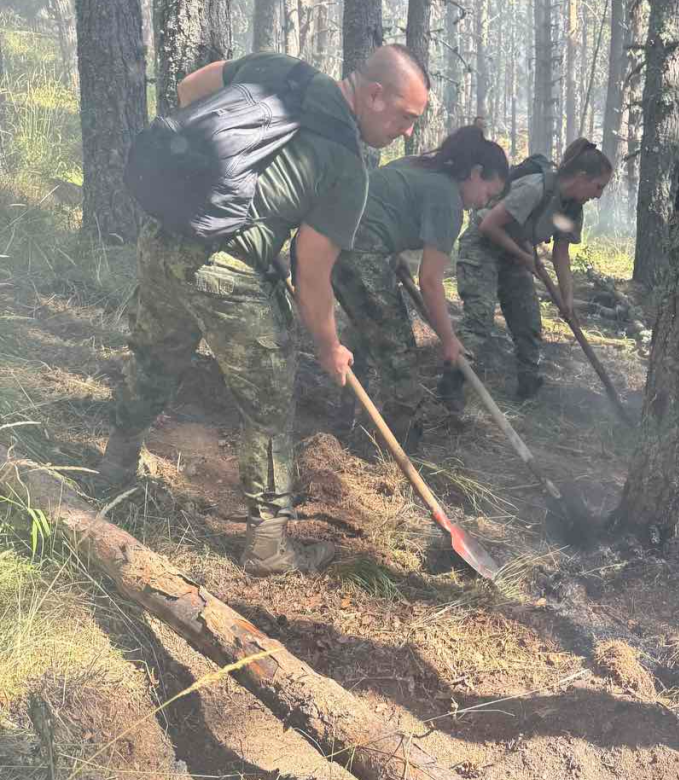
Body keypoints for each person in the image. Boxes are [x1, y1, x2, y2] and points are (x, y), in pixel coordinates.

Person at [95, 47, 429, 577]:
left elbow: (188, 93)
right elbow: (312, 275)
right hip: (227, 277)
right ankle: (268, 547)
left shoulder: (282, 71)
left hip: (164, 238)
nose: (407, 132)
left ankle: (114, 463)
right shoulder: (346, 166)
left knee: (156, 355)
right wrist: (327, 347)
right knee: (269, 404)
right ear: (373, 96)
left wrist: (226, 193)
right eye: (406, 118)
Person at [324, 126, 509, 452]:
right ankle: (402, 452)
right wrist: (450, 340)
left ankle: (342, 431)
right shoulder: (447, 199)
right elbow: (430, 281)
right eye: (488, 193)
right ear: (476, 173)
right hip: (361, 251)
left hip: (335, 241)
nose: (484, 203)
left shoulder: (421, 166)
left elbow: (384, 204)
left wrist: (391, 253)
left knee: (363, 339)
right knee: (400, 357)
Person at [448, 138, 612, 408]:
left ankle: (528, 388)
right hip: (483, 245)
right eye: (598, 186)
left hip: (516, 251)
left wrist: (567, 297)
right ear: (582, 177)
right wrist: (524, 256)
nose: (598, 195)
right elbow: (489, 225)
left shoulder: (572, 208)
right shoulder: (536, 187)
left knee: (528, 321)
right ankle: (452, 385)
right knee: (480, 318)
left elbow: (561, 252)